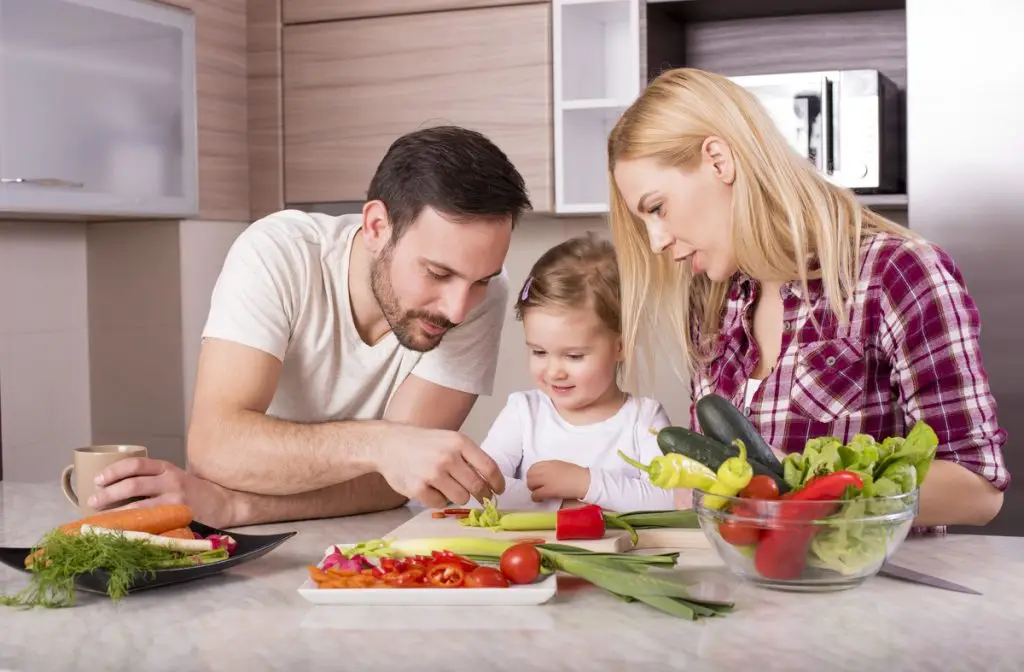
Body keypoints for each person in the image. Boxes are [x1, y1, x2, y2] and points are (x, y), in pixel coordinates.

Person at [605, 67, 1009, 531]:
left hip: (867, 594)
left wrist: (801, 491)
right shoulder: (714, 302)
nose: (656, 240)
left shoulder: (895, 273)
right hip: (749, 589)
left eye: (656, 208)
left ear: (718, 160)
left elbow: (977, 489)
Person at [86, 125, 534, 527]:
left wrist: (235, 507)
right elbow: (216, 445)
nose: (458, 310)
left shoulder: (482, 297)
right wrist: (380, 444)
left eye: (480, 280)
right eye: (437, 274)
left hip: (337, 534)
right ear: (377, 226)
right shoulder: (281, 252)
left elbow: (396, 483)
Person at [470, 234, 677, 513]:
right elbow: (479, 488)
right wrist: (564, 504)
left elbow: (672, 499)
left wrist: (585, 482)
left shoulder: (644, 420)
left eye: (574, 356)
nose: (555, 371)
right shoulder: (523, 413)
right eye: (539, 352)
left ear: (621, 346)